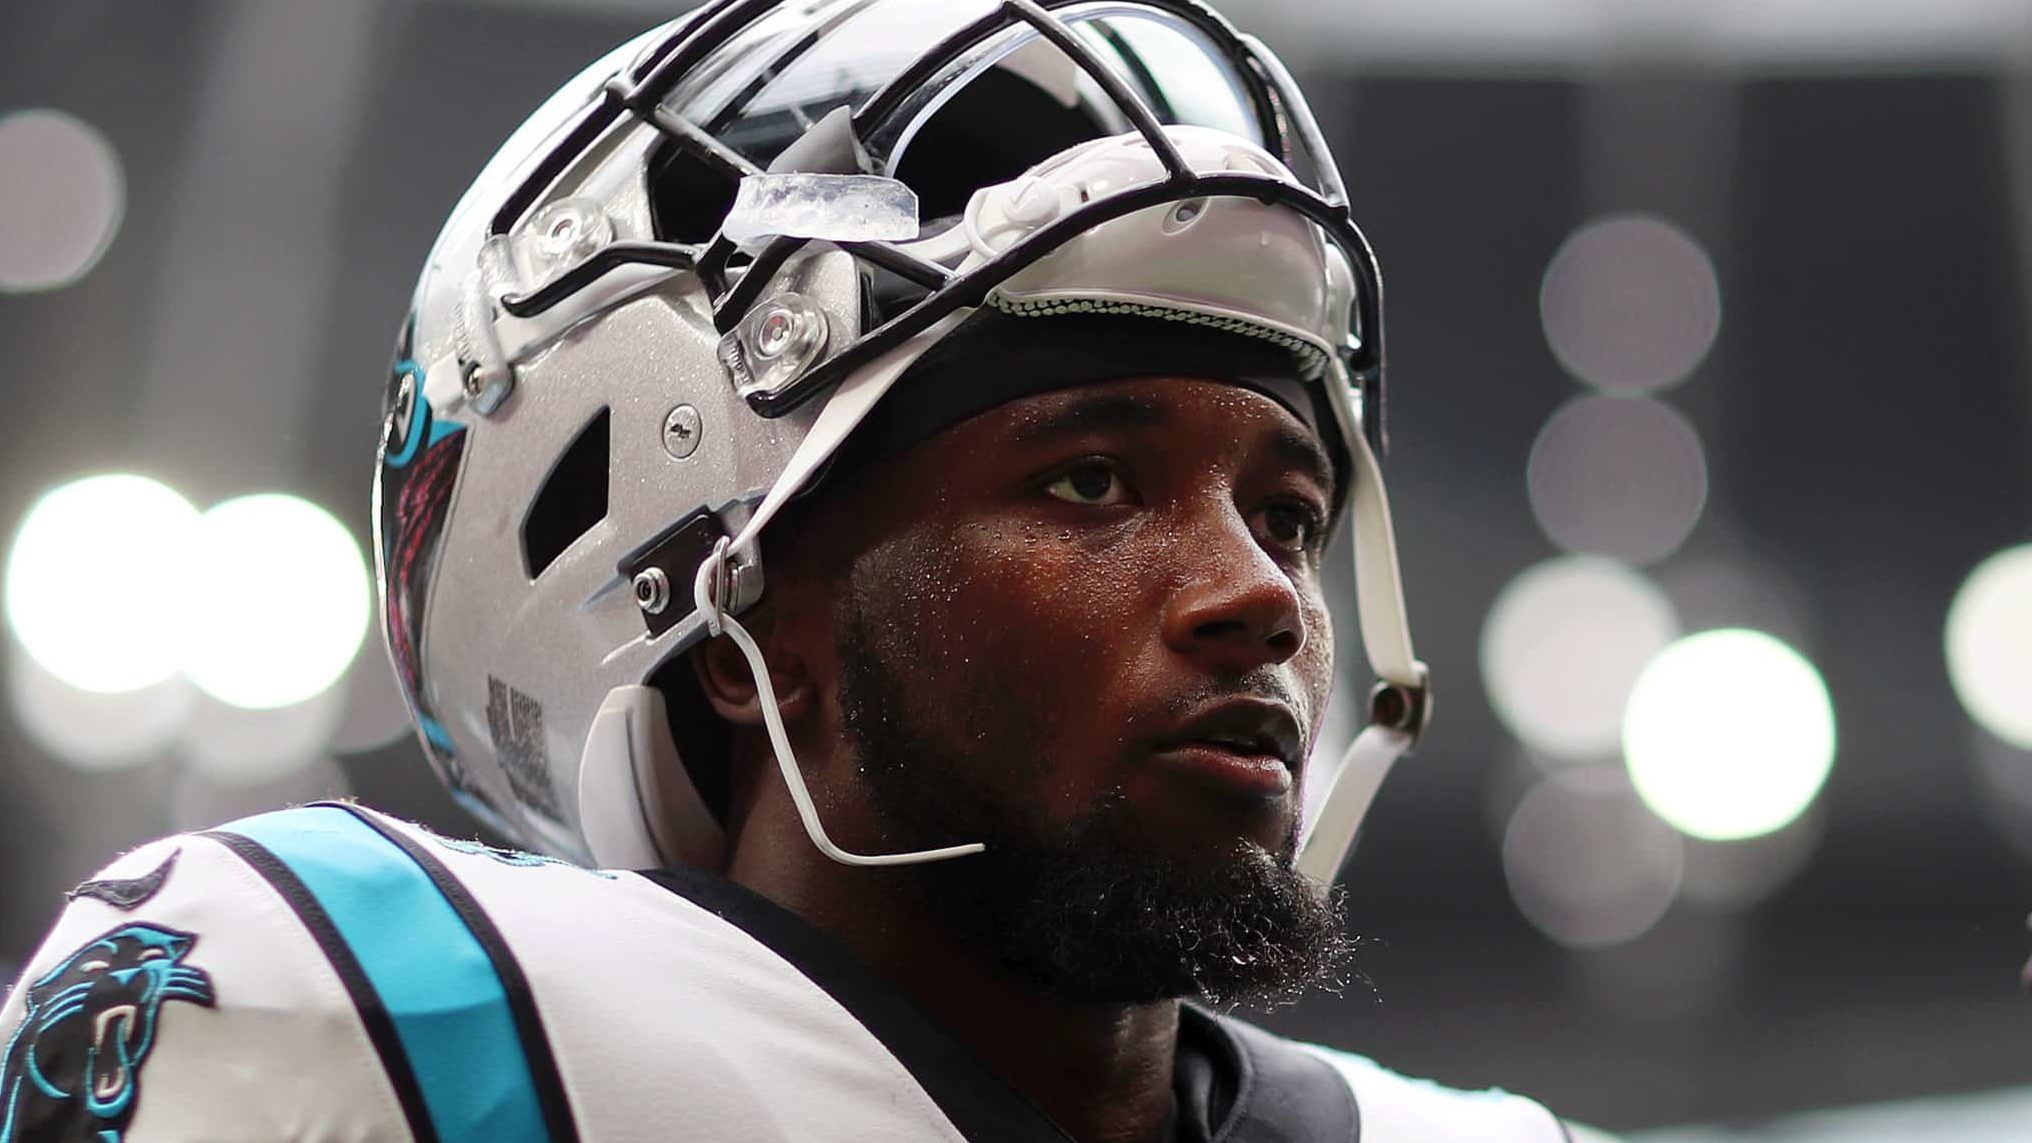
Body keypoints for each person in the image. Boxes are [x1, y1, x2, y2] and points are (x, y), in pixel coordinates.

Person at [0, 2, 1618, 1140]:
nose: (1261, 597)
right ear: (741, 627)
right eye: (1094, 482)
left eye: (1289, 515)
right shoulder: (382, 1024)